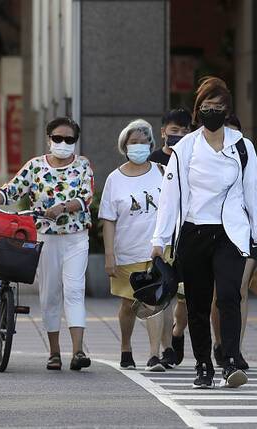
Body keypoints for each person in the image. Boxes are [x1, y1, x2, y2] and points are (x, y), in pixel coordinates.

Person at [152, 76, 257, 389]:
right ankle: (203, 364)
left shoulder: (243, 147)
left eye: (218, 107)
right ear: (197, 111)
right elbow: (170, 197)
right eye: (206, 107)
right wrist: (159, 241)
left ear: (227, 111)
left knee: (231, 294)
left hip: (232, 234)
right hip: (194, 232)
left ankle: (230, 359)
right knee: (198, 302)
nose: (212, 112)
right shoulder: (186, 148)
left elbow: (252, 195)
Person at [0, 117, 94, 371]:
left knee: (74, 290)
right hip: (45, 238)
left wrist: (62, 207)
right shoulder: (35, 166)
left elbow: (86, 197)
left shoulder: (83, 166)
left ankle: (78, 351)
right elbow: (11, 191)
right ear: (48, 139)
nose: (63, 143)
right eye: (58, 138)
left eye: (69, 139)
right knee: (50, 294)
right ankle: (54, 352)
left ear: (75, 142)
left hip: (76, 237)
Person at [100, 119, 172, 372]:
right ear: (124, 146)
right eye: (134, 143)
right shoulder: (114, 179)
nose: (139, 147)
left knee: (156, 301)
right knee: (128, 305)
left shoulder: (163, 172)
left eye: (144, 142)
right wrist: (109, 255)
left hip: (157, 249)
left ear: (151, 144)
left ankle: (155, 354)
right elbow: (108, 219)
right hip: (126, 251)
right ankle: (126, 347)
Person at [210, 114, 257, 370]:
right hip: (215, 233)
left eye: (234, 132)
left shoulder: (247, 154)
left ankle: (234, 348)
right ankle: (219, 342)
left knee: (238, 291)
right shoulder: (205, 156)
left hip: (245, 233)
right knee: (220, 294)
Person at [148, 108, 193, 368]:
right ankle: (162, 350)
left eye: (185, 131)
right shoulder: (152, 161)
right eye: (174, 131)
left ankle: (177, 333)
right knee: (163, 295)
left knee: (185, 299)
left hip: (187, 237)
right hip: (161, 240)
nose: (179, 136)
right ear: (163, 131)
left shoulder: (193, 158)